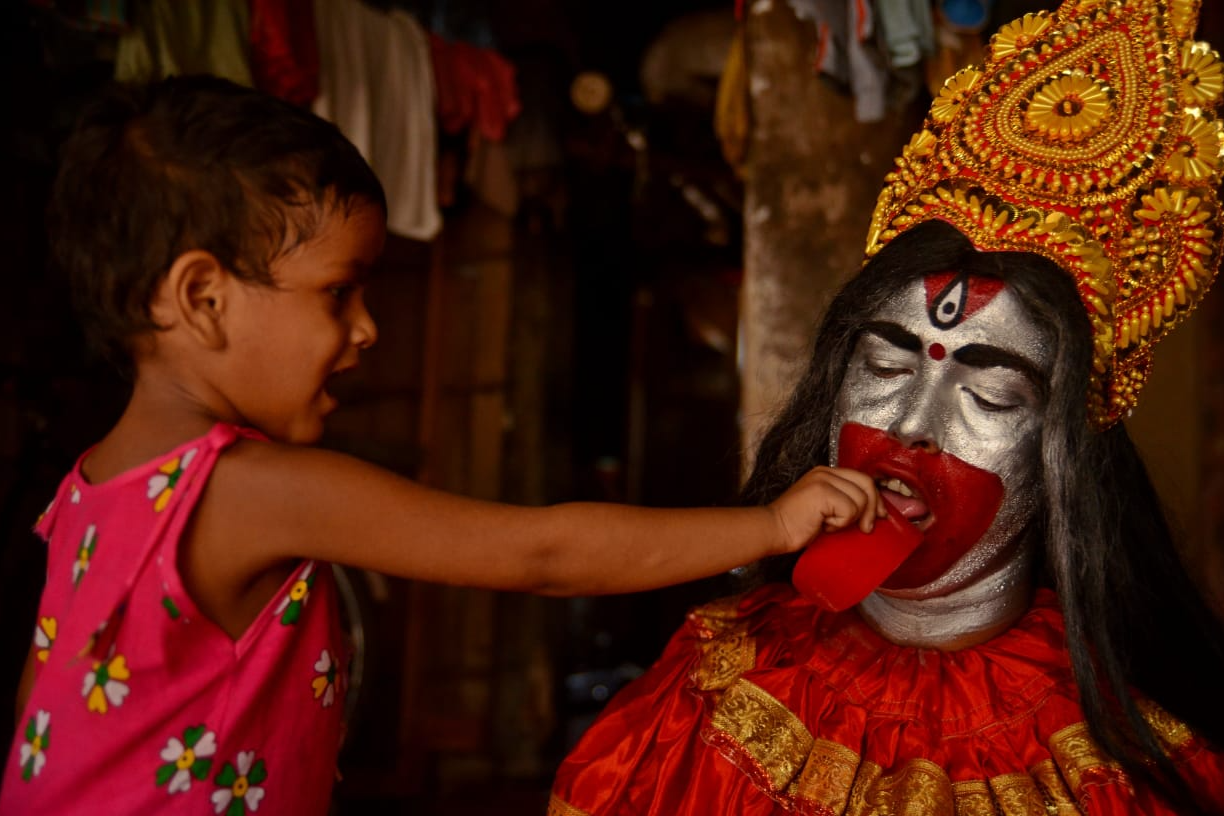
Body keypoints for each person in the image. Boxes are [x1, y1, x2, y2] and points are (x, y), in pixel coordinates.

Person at [0, 75, 889, 814]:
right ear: (201, 298)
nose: (367, 329)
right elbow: (540, 552)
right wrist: (772, 526)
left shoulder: (89, 490)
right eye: (338, 294)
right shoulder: (251, 488)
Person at [547, 1, 1224, 814]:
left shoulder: (1127, 762)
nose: (910, 423)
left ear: (1063, 454)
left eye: (990, 392)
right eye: (883, 363)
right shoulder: (713, 683)